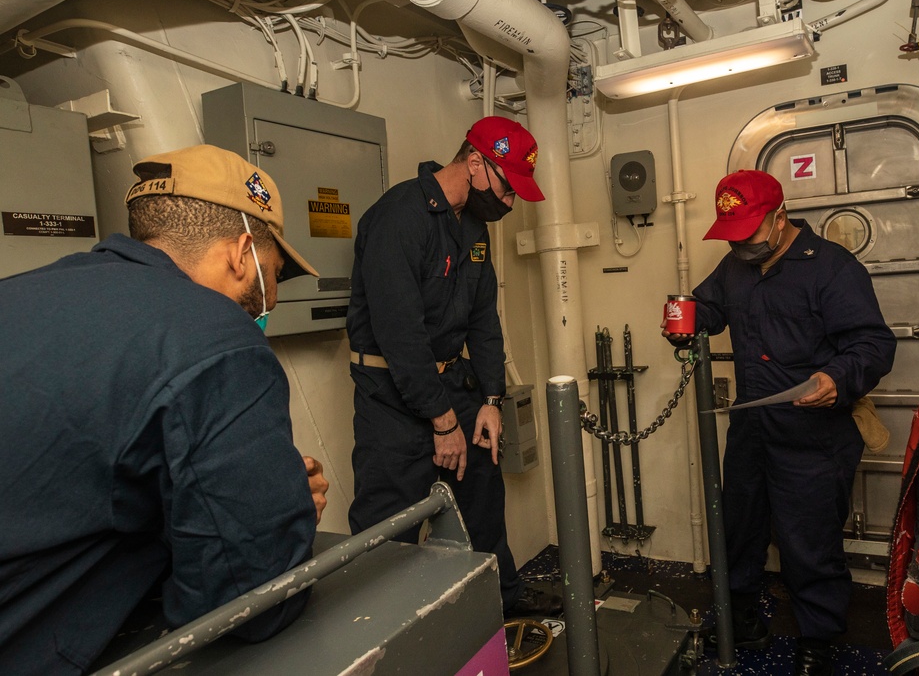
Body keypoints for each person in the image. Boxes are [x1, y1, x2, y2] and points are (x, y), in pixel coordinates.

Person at [0, 145, 330, 675]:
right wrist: (280, 506)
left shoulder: (21, 292)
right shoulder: (218, 338)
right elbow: (251, 599)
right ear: (242, 252)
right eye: (275, 273)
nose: (271, 298)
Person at [661, 170, 896, 676]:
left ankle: (819, 638)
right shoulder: (735, 268)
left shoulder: (832, 269)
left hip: (816, 433)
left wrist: (837, 376)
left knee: (808, 543)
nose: (739, 244)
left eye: (748, 232)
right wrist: (685, 322)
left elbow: (875, 346)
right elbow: (708, 307)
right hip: (753, 426)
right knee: (740, 529)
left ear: (780, 218)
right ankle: (740, 618)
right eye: (732, 234)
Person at [346, 116, 559, 618]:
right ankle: (382, 632)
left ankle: (501, 608)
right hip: (392, 396)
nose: (509, 203)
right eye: (508, 189)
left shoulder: (473, 228)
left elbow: (484, 321)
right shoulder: (401, 216)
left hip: (454, 385)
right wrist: (442, 421)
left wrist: (489, 400)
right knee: (389, 528)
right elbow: (401, 334)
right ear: (475, 161)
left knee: (483, 499)